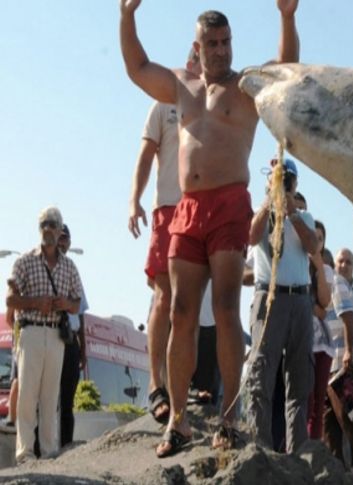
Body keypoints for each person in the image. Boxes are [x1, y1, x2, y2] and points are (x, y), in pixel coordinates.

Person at [120, 0, 301, 458]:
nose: (220, 52)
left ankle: (229, 416)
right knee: (181, 310)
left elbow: (288, 69)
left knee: (224, 308)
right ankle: (177, 422)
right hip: (188, 208)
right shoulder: (182, 87)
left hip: (229, 205)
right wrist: (127, 17)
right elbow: (138, 68)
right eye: (212, 44)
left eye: (226, 43)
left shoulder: (245, 87)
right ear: (197, 48)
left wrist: (286, 17)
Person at [127, 47, 201, 426]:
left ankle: (180, 386)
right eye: (194, 53)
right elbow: (146, 154)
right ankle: (156, 385)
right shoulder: (164, 103)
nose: (198, 61)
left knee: (188, 303)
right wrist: (134, 200)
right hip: (167, 208)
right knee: (163, 296)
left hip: (198, 208)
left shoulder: (210, 102)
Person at [247, 158, 317, 453]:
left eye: (287, 179)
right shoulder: (262, 215)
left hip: (300, 299)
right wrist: (269, 202)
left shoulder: (305, 217)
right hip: (270, 296)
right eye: (278, 178)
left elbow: (313, 246)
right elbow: (251, 237)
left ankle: (298, 450)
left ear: (296, 184)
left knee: (299, 378)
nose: (283, 184)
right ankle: (259, 447)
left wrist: (293, 212)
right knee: (262, 373)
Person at [7, 207, 83, 463]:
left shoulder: (69, 266)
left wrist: (65, 304)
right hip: (30, 330)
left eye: (53, 224)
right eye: (44, 225)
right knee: (28, 395)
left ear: (60, 229)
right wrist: (35, 302)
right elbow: (10, 298)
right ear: (40, 229)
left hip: (55, 336)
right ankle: (25, 452)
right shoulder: (25, 261)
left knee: (51, 397)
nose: (48, 229)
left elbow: (78, 303)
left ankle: (49, 451)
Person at [322, 248, 353, 467]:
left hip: (344, 362)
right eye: (340, 261)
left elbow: (350, 320)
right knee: (331, 420)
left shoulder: (342, 286)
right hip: (333, 362)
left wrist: (350, 351)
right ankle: (338, 468)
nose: (343, 265)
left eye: (348, 262)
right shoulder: (334, 284)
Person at [57, 225, 89, 447]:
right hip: (51, 336)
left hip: (71, 341)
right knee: (47, 399)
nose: (62, 242)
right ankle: (41, 450)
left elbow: (81, 313)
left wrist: (83, 348)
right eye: (59, 238)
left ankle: (66, 445)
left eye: (65, 238)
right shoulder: (43, 265)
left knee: (67, 401)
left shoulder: (72, 270)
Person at [306, 220, 333, 440]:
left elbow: (324, 305)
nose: (316, 242)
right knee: (301, 399)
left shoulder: (325, 270)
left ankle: (313, 449)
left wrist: (319, 267)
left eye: (320, 239)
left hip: (321, 343)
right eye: (312, 237)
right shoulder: (293, 264)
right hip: (298, 339)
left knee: (317, 403)